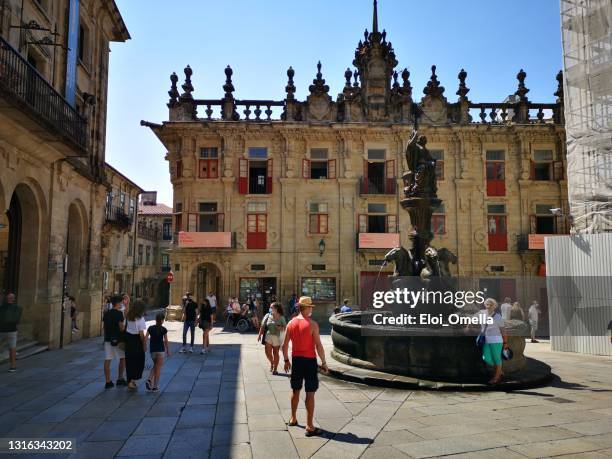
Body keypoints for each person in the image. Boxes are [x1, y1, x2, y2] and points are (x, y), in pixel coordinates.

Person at [282, 296, 328, 437]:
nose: (311, 309)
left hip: (296, 360)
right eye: (310, 307)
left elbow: (284, 346)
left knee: (295, 390)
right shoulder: (313, 324)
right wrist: (324, 362)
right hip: (309, 361)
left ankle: (293, 418)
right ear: (306, 308)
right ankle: (309, 426)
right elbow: (318, 346)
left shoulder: (291, 323)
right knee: (310, 393)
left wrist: (286, 361)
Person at [477, 298, 507, 385]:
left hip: (496, 341)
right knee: (486, 358)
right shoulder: (482, 314)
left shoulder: (498, 317)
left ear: (494, 306)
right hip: (486, 340)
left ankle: (496, 378)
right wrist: (468, 326)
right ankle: (500, 371)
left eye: (491, 305)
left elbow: (503, 331)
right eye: (487, 304)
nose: (489, 306)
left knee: (497, 359)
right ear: (485, 305)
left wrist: (505, 343)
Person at [102, 294, 126, 388]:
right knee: (122, 358)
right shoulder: (119, 313)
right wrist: (124, 328)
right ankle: (120, 378)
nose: (122, 304)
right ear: (118, 303)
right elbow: (121, 327)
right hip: (119, 340)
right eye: (121, 302)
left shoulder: (106, 313)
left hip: (108, 339)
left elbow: (104, 327)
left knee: (108, 359)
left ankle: (108, 382)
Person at [259, 302, 287, 374]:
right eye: (270, 307)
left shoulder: (281, 317)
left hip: (277, 337)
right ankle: (272, 362)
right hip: (268, 336)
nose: (270, 309)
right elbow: (262, 325)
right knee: (267, 353)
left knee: (275, 353)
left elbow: (285, 328)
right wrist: (259, 335)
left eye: (272, 307)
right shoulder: (268, 315)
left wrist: (280, 327)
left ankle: (275, 369)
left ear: (276, 309)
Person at [125, 300, 147, 391]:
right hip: (136, 341)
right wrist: (144, 344)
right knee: (138, 361)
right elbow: (141, 334)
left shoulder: (129, 316)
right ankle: (132, 380)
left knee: (129, 361)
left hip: (129, 339)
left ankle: (130, 380)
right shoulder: (140, 318)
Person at [145, 312, 169, 392]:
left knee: (155, 365)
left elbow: (145, 338)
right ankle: (155, 386)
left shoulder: (150, 328)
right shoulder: (163, 329)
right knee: (158, 367)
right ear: (162, 320)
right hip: (160, 350)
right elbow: (166, 341)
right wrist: (168, 350)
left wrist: (144, 346)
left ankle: (149, 380)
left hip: (153, 350)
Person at [0, 293, 22, 373]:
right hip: (12, 331)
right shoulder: (17, 308)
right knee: (12, 349)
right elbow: (18, 320)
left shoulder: (1, 307)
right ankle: (13, 366)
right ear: (13, 299)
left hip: (1, 330)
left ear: (6, 299)